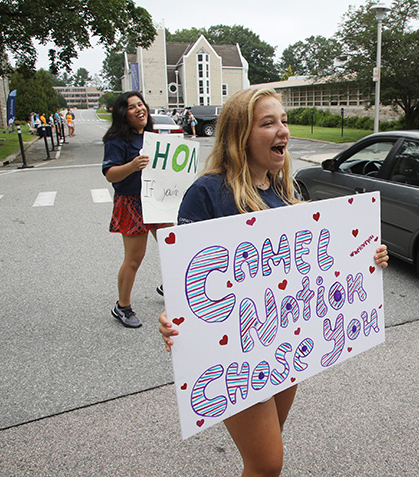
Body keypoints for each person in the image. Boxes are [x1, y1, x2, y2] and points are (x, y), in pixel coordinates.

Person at [158, 88, 389, 476]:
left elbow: (317, 263)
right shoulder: (208, 192)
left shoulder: (283, 189)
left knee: (266, 451)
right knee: (267, 462)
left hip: (283, 345)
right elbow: (188, 277)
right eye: (268, 123)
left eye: (283, 120)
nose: (282, 129)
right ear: (239, 134)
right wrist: (172, 317)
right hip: (235, 354)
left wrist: (368, 258)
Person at [102, 91, 171, 328]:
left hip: (156, 198)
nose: (139, 109)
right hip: (131, 202)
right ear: (123, 113)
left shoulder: (152, 136)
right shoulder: (116, 140)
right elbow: (110, 174)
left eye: (141, 104)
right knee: (134, 258)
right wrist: (131, 166)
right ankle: (122, 307)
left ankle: (169, 287)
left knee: (172, 246)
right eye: (132, 107)